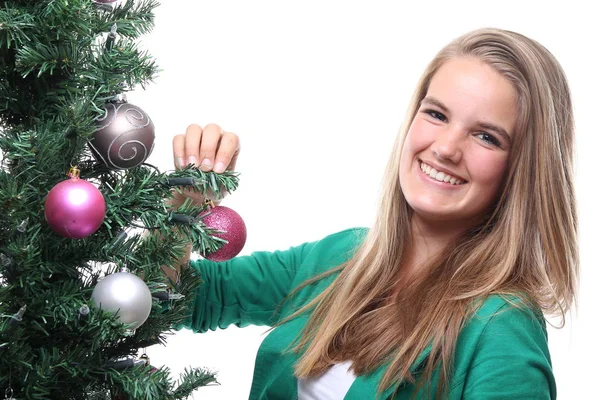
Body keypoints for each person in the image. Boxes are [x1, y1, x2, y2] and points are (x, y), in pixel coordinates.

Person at [168, 27, 578, 399]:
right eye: (436, 114)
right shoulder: (340, 257)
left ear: (522, 169)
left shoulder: (502, 326)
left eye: (486, 136)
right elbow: (174, 298)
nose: (446, 148)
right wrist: (182, 212)